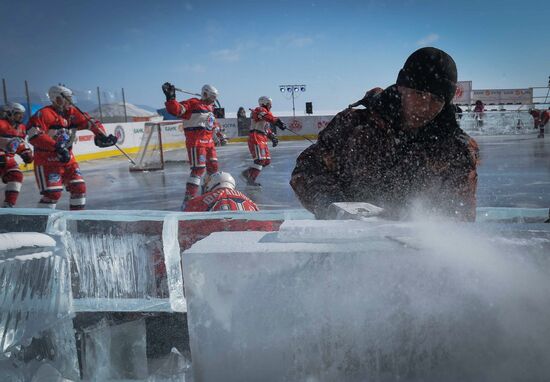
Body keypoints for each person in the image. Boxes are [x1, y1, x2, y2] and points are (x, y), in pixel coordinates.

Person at [290, 47, 479, 221]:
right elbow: (309, 168)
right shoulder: (353, 126)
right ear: (401, 88)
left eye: (436, 99)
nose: (424, 106)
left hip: (414, 250)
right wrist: (331, 204)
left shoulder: (455, 150)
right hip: (345, 242)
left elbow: (459, 215)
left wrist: (428, 226)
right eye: (418, 93)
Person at [26, 85, 118, 210]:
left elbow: (91, 123)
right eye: (66, 98)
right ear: (56, 98)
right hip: (47, 160)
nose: (70, 101)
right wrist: (56, 147)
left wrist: (102, 136)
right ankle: (42, 223)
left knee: (79, 188)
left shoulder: (73, 113)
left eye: (70, 98)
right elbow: (34, 135)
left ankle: (76, 220)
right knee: (53, 194)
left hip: (68, 159)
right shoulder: (44, 114)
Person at [179, 171, 280, 250]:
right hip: (247, 241)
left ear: (210, 185)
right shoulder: (249, 201)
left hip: (215, 242)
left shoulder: (202, 199)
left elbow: (184, 225)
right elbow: (265, 224)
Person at [162, 82, 221, 204]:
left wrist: (217, 135)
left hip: (209, 143)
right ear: (205, 94)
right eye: (212, 96)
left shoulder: (211, 108)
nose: (214, 99)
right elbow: (177, 110)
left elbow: (211, 124)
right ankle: (189, 198)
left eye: (215, 97)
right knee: (198, 170)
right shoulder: (193, 103)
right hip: (196, 142)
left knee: (213, 167)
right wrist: (171, 98)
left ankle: (207, 193)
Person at [241, 96, 286, 187]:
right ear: (264, 103)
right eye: (269, 104)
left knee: (267, 161)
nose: (271, 106)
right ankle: (250, 179)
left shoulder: (267, 113)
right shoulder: (259, 109)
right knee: (260, 160)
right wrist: (277, 121)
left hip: (262, 137)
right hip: (256, 136)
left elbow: (266, 128)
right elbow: (267, 117)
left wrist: (272, 136)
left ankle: (248, 173)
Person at [0, 102, 33, 207]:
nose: (21, 116)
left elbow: (17, 143)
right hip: (2, 157)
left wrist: (24, 152)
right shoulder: (1, 124)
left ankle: (9, 205)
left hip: (7, 158)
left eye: (22, 113)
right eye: (18, 113)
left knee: (16, 175)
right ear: (9, 113)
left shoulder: (21, 128)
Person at [183, 171, 259, 212]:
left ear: (212, 184)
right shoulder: (249, 201)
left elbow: (188, 210)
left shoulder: (205, 198)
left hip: (217, 234)